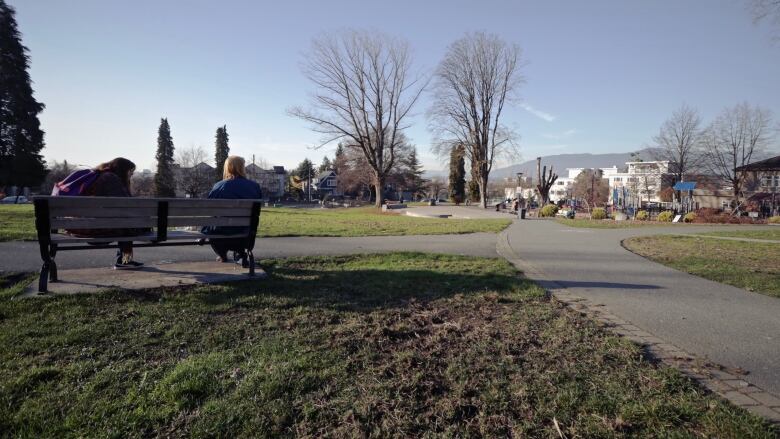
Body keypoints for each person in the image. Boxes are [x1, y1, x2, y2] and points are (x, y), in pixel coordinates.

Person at [66, 157, 145, 270]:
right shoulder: (111, 179)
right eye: (130, 172)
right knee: (128, 225)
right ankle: (125, 261)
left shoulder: (99, 176)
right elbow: (125, 204)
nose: (131, 175)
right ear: (123, 170)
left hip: (81, 225)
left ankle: (125, 260)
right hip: (94, 228)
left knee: (128, 224)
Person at [203, 156, 262, 265]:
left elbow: (210, 209)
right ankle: (240, 253)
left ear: (227, 168)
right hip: (245, 231)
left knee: (210, 226)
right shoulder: (254, 186)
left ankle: (222, 255)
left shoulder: (218, 186)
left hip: (220, 231)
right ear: (242, 168)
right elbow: (257, 210)